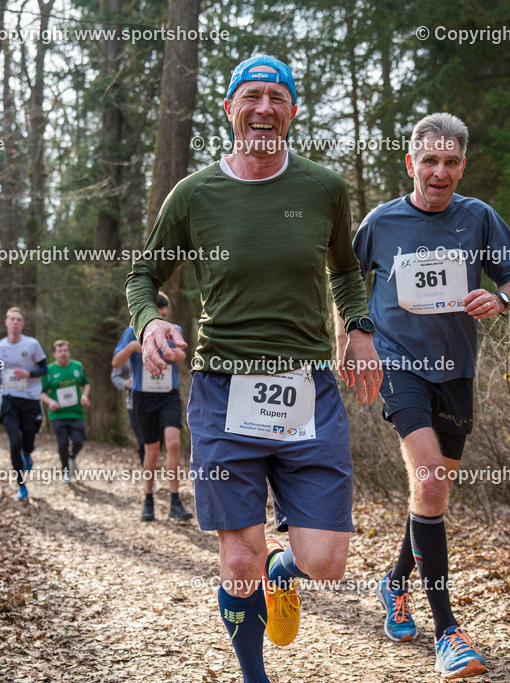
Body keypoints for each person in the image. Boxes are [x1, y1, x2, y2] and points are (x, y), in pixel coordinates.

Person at [125, 55, 382, 683]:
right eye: (251, 96)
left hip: (307, 390)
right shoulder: (195, 195)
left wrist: (359, 329)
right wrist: (149, 322)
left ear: (292, 110)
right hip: (222, 391)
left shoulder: (324, 188)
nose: (264, 107)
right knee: (236, 562)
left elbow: (346, 271)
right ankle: (254, 675)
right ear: (229, 109)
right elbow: (143, 275)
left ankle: (283, 569)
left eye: (276, 96)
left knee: (325, 561)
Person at [334, 112, 510, 679]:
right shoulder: (381, 222)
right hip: (398, 364)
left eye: (450, 163)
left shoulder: (479, 219)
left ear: (461, 166)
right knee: (427, 478)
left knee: (433, 493)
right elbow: (345, 279)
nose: (439, 172)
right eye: (430, 161)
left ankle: (394, 584)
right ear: (411, 163)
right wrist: (350, 337)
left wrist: (502, 300)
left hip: (456, 370)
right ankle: (449, 632)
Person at [112, 292, 193, 522]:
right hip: (143, 397)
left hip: (168, 394)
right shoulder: (132, 330)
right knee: (152, 450)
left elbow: (181, 354)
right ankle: (148, 499)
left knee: (174, 443)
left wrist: (173, 352)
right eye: (160, 312)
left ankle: (175, 501)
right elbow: (116, 363)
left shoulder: (173, 328)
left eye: (166, 312)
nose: (164, 316)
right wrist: (132, 348)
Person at [0, 307, 47, 501]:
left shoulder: (32, 344)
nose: (15, 323)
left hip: (30, 399)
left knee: (27, 441)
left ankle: (28, 454)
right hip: (8, 399)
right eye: (12, 319)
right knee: (14, 443)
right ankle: (21, 486)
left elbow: (44, 369)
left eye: (19, 320)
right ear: (6, 323)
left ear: (22, 324)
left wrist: (28, 374)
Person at [40, 340, 90, 484]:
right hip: (58, 414)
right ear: (54, 354)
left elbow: (85, 383)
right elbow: (41, 392)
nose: (63, 353)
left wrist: (85, 396)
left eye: (66, 350)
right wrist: (50, 402)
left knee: (79, 441)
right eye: (60, 351)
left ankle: (72, 456)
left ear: (69, 352)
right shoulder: (48, 370)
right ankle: (65, 470)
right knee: (62, 443)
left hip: (76, 412)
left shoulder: (77, 366)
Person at [110, 362, 147, 465]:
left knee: (157, 440)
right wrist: (125, 383)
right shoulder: (128, 349)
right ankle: (148, 473)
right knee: (143, 440)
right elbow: (115, 376)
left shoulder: (162, 348)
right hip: (134, 404)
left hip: (160, 403)